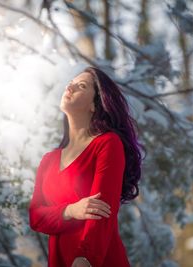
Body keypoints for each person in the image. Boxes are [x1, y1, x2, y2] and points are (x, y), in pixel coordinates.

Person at [29, 66, 144, 267]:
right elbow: (36, 217)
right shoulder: (48, 160)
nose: (70, 87)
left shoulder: (107, 143)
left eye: (81, 86)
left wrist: (85, 259)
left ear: (94, 104)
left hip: (97, 260)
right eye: (70, 83)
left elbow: (102, 213)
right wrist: (70, 211)